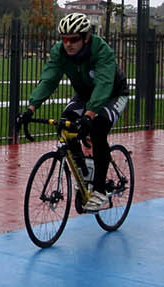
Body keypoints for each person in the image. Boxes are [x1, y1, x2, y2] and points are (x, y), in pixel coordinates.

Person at [17, 12, 130, 211]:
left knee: (97, 129)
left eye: (73, 39)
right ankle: (85, 171)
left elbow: (104, 83)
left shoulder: (101, 50)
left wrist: (89, 114)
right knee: (65, 123)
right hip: (85, 94)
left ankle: (101, 190)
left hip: (113, 93)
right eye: (64, 39)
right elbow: (49, 79)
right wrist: (31, 108)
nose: (68, 44)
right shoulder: (60, 51)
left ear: (86, 38)